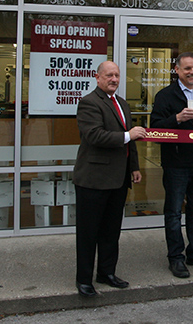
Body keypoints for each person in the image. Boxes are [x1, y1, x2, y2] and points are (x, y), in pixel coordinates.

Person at [73, 60, 147, 297]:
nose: (114, 79)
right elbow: (95, 136)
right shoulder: (89, 103)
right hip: (93, 180)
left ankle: (106, 273)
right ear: (97, 78)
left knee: (110, 231)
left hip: (118, 179)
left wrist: (133, 167)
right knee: (88, 233)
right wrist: (128, 135)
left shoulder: (123, 104)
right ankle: (84, 280)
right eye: (109, 75)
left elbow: (131, 142)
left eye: (117, 75)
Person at [150, 52, 193, 278]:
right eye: (187, 68)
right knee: (173, 213)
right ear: (177, 70)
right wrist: (177, 119)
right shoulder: (165, 96)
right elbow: (155, 129)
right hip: (176, 164)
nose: (192, 72)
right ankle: (176, 257)